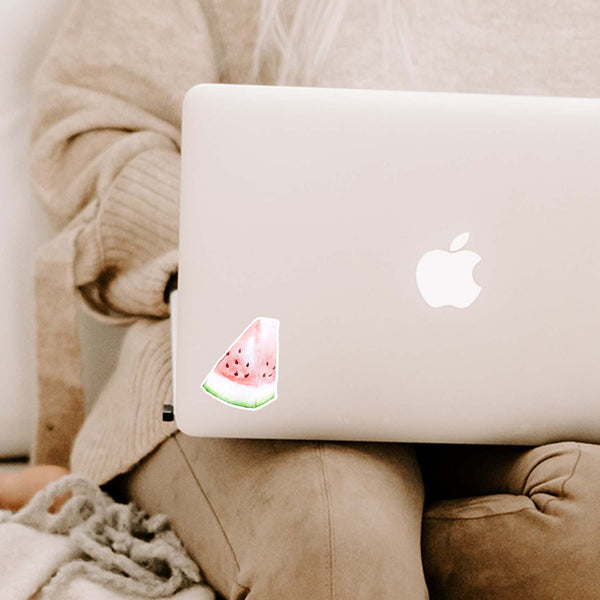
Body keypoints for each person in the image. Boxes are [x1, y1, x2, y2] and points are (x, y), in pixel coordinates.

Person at [25, 1, 600, 598]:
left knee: (588, 531)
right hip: (255, 371)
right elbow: (90, 128)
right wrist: (246, 251)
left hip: (545, 398)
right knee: (337, 525)